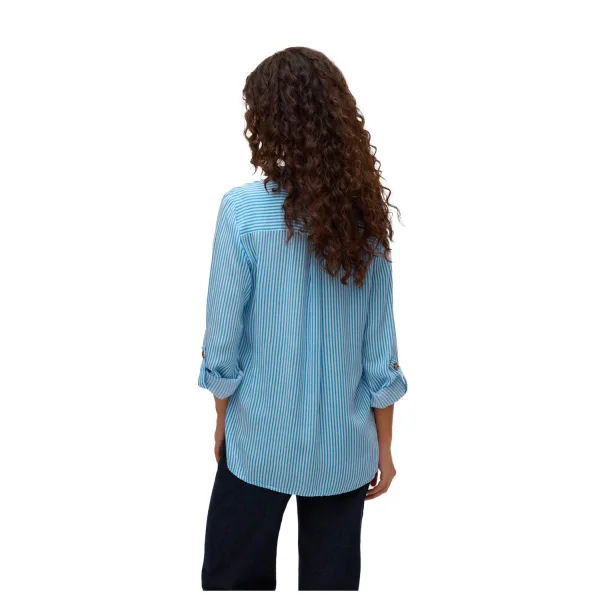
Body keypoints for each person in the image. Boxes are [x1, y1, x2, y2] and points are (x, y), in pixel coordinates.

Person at [198, 47, 407, 591]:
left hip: (258, 440)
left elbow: (222, 341)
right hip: (345, 446)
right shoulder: (364, 219)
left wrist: (222, 419)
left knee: (231, 582)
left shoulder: (242, 211)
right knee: (331, 586)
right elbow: (379, 351)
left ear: (268, 120)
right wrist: (385, 448)